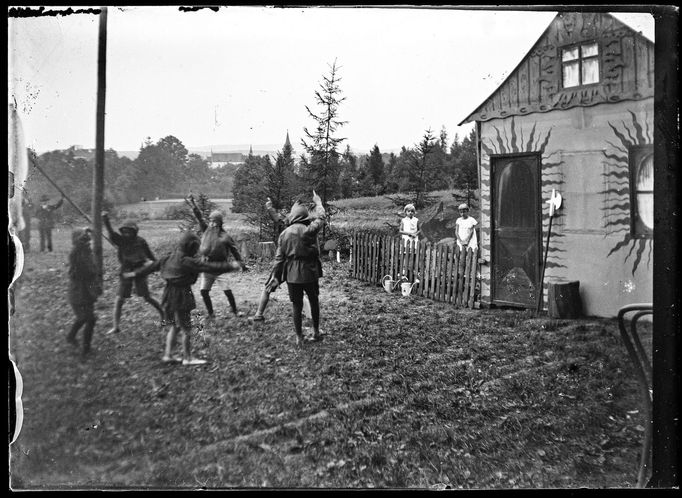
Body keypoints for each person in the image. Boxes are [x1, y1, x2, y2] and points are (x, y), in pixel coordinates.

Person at [123, 231, 241, 365]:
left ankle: (168, 355)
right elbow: (208, 266)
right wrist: (230, 265)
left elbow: (149, 268)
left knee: (174, 327)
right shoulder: (187, 261)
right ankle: (187, 358)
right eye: (195, 247)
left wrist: (133, 274)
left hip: (168, 294)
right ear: (190, 247)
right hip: (182, 295)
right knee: (187, 328)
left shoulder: (167, 258)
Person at [270, 191, 326, 347]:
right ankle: (315, 332)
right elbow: (321, 218)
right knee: (314, 301)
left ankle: (299, 337)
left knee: (296, 305)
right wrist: (318, 202)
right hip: (310, 272)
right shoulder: (309, 229)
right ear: (304, 216)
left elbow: (279, 259)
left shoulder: (284, 234)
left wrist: (276, 277)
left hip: (292, 274)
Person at [102, 212, 165, 334]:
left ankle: (163, 315)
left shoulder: (141, 241)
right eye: (124, 231)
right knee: (119, 299)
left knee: (146, 297)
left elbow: (150, 256)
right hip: (125, 271)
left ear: (134, 231)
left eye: (129, 231)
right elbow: (111, 233)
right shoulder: (121, 240)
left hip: (139, 271)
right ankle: (116, 327)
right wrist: (106, 220)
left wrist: (157, 266)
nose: (126, 234)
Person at [187, 195, 246, 319]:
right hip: (207, 268)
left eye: (215, 221)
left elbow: (234, 251)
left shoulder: (225, 236)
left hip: (220, 269)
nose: (212, 223)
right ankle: (211, 313)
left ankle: (235, 311)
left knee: (227, 291)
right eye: (211, 221)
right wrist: (193, 204)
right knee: (204, 291)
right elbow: (199, 217)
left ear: (219, 223)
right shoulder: (206, 230)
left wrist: (242, 264)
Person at [66, 227, 102, 359]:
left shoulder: (86, 251)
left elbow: (92, 269)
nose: (86, 241)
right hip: (78, 290)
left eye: (87, 239)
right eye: (83, 239)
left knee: (85, 318)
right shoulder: (76, 253)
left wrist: (86, 232)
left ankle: (71, 338)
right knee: (88, 319)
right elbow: (88, 270)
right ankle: (85, 350)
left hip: (87, 290)